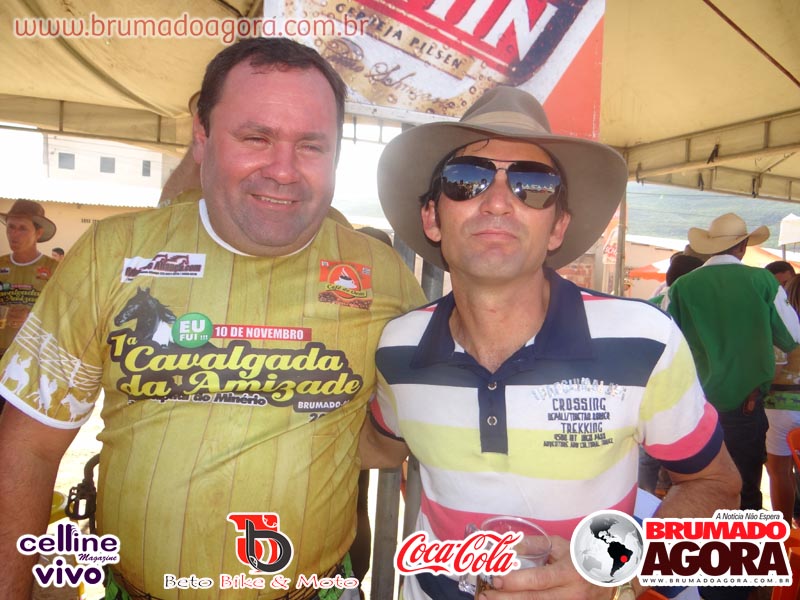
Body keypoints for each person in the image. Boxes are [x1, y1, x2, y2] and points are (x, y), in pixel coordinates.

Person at [0, 38, 426, 599]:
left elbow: (426, 437)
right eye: (256, 138)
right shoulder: (111, 254)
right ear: (201, 136)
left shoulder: (383, 277)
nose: (283, 170)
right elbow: (28, 447)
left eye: (311, 145)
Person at [360, 86, 740, 600]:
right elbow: (373, 444)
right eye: (466, 180)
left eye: (533, 185)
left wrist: (609, 571)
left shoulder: (644, 340)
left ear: (557, 227)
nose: (498, 201)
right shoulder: (397, 348)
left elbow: (716, 484)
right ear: (432, 218)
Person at [667, 213, 800, 599]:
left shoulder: (683, 286)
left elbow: (666, 340)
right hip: (746, 404)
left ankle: (695, 581)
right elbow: (792, 336)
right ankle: (738, 588)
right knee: (742, 492)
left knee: (693, 490)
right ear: (742, 247)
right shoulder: (762, 281)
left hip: (692, 409)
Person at [0, 200, 58, 364]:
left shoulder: (54, 269)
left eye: (22, 228)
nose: (14, 234)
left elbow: (64, 313)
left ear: (38, 233)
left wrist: (31, 317)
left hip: (35, 358)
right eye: (11, 227)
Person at [765, 274, 800, 522]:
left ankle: (784, 530)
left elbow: (774, 369)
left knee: (779, 472)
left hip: (780, 406)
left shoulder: (783, 327)